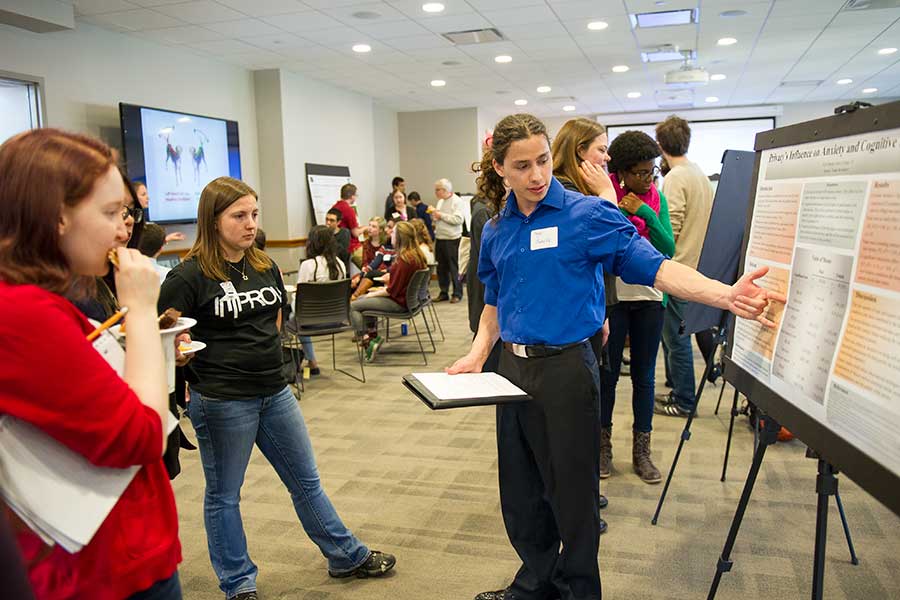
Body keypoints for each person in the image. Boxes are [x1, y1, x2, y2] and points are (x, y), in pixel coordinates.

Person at [447, 113, 784, 600]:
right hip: (512, 371)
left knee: (574, 498)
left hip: (566, 368)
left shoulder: (587, 215)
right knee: (522, 496)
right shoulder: (499, 227)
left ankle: (580, 591)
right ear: (499, 168)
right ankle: (537, 583)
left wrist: (725, 295)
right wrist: (479, 353)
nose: (537, 175)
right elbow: (495, 301)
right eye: (522, 166)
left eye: (543, 160)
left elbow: (656, 268)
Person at [158, 176, 395, 600]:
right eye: (239, 216)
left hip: (275, 391)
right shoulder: (188, 276)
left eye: (253, 214)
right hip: (223, 399)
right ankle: (238, 583)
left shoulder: (264, 264)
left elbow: (276, 318)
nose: (250, 225)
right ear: (213, 221)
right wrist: (178, 357)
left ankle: (345, 555)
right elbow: (162, 333)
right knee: (225, 495)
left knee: (306, 480)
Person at [0, 128, 182, 599]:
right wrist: (141, 309)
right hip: (101, 565)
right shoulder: (24, 314)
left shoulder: (38, 302)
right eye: (109, 212)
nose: (122, 229)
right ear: (56, 217)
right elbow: (141, 436)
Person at [549, 116, 619, 534]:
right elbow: (603, 242)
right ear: (580, 153)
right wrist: (608, 196)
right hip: (568, 330)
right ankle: (578, 505)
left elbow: (595, 266)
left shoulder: (582, 190)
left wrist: (603, 310)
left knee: (584, 419)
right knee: (574, 425)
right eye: (601, 149)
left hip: (588, 315)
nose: (606, 157)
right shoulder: (567, 194)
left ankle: (584, 495)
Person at [602, 131, 676, 484]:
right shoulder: (605, 197)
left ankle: (641, 452)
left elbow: (668, 247)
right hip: (614, 297)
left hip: (649, 297)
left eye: (652, 172)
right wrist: (620, 209)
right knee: (608, 375)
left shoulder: (655, 198)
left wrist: (644, 208)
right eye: (641, 173)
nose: (648, 178)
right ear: (621, 172)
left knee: (645, 378)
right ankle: (602, 448)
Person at [654, 115, 715, 418]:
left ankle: (684, 400)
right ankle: (678, 389)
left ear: (661, 144)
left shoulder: (676, 177)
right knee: (678, 337)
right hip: (697, 266)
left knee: (676, 340)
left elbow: (671, 227)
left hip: (679, 268)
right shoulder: (699, 173)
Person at [350, 221, 427, 362]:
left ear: (400, 237)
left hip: (400, 303)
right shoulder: (415, 255)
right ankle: (373, 337)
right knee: (365, 302)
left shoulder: (404, 260)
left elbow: (391, 291)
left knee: (354, 305)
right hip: (410, 300)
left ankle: (367, 340)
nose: (390, 233)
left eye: (394, 232)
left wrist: (371, 294)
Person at [296, 225, 348, 376]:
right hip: (337, 318)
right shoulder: (340, 263)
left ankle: (311, 361)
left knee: (293, 317)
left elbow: (300, 296)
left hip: (310, 320)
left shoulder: (308, 265)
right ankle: (311, 362)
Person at [432, 177, 465, 303]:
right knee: (441, 268)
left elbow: (458, 220)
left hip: (452, 238)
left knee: (454, 267)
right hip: (440, 237)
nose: (435, 193)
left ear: (445, 190)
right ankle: (443, 292)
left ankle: (457, 293)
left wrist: (441, 215)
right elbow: (440, 217)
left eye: (437, 190)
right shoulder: (440, 201)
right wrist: (436, 217)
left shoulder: (457, 201)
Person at [133, 180, 186, 244]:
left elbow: (146, 244)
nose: (148, 198)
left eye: (147, 194)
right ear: (133, 197)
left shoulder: (140, 217)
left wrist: (167, 238)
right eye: (143, 194)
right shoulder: (132, 220)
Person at [332, 183, 364, 256]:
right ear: (352, 196)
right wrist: (365, 228)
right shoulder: (349, 210)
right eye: (356, 195)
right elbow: (355, 233)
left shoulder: (334, 207)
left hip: (337, 246)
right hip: (351, 247)